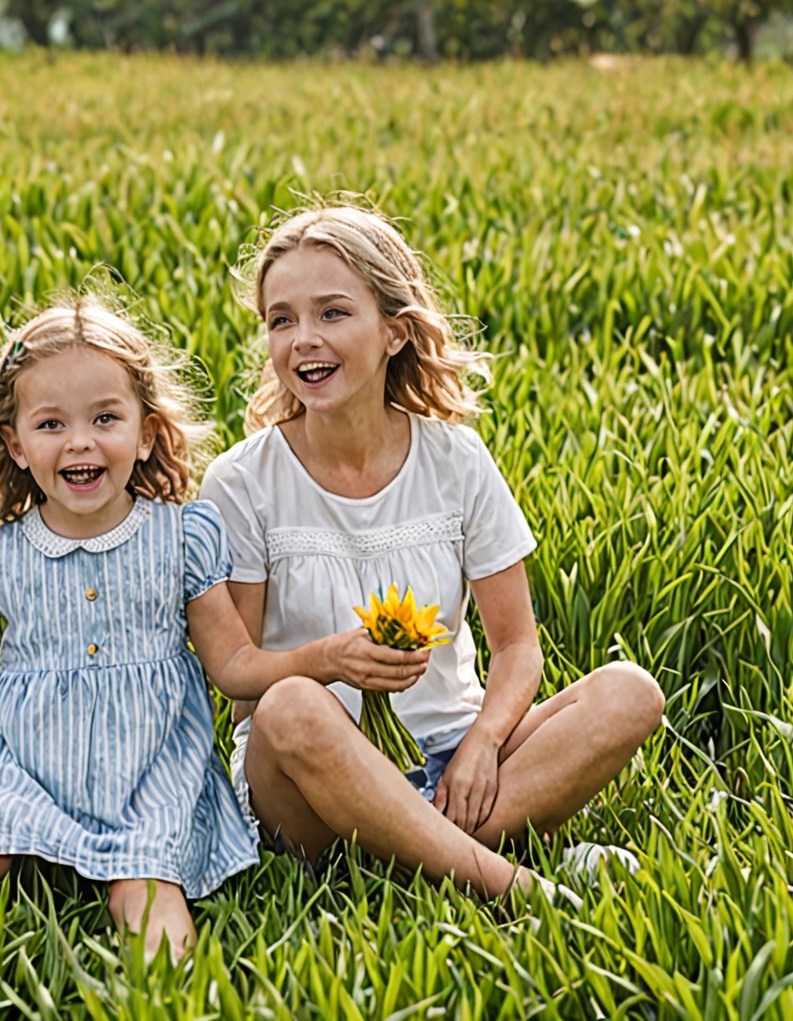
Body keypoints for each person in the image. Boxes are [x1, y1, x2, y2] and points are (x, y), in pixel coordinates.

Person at [0, 297, 430, 968]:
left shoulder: (180, 538)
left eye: (105, 418)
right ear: (15, 443)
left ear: (148, 432)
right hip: (24, 756)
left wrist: (325, 657)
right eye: (50, 424)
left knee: (146, 879)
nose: (80, 442)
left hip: (151, 760)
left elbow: (234, 666)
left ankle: (171, 986)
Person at [200, 204, 666, 901]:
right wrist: (329, 660)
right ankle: (506, 879)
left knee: (631, 692)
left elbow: (517, 650)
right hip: (309, 779)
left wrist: (480, 745)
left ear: (394, 331)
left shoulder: (455, 460)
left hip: (454, 760)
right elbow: (241, 685)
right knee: (290, 706)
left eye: (332, 313)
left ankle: (414, 850)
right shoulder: (242, 481)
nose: (303, 340)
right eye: (281, 320)